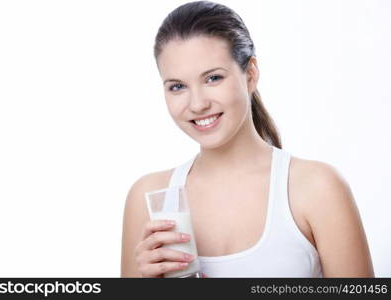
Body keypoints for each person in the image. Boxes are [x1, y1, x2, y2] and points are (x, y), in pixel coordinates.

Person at [120, 1, 374, 278]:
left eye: (213, 78)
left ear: (250, 74)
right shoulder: (148, 198)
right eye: (177, 86)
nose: (197, 104)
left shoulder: (316, 188)